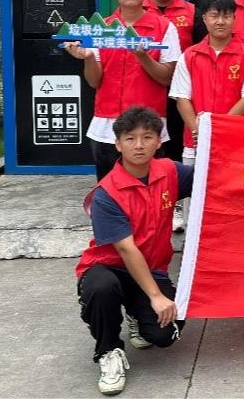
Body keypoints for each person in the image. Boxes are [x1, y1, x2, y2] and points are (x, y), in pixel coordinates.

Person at [74, 106, 193, 395]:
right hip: (108, 267)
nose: (139, 145)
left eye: (147, 137)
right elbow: (126, 250)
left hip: (151, 269)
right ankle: (108, 351)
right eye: (130, 138)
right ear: (118, 144)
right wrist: (156, 297)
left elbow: (212, 176)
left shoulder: (170, 171)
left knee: (165, 335)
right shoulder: (106, 194)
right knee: (101, 288)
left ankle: (137, 315)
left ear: (159, 141)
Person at [64, 0, 180, 181]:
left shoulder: (165, 27)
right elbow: (94, 81)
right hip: (106, 127)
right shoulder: (101, 29)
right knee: (109, 189)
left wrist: (143, 56)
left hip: (149, 126)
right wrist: (88, 57)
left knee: (149, 188)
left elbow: (166, 78)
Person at [170, 0, 244, 167]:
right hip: (195, 142)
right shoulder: (189, 55)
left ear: (234, 19)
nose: (220, 21)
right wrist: (200, 132)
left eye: (226, 16)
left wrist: (218, 130)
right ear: (204, 19)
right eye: (214, 16)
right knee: (194, 184)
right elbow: (181, 98)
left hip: (237, 141)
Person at [143, 0, 196, 164]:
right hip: (147, 87)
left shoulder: (192, 12)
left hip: (181, 92)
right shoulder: (138, 10)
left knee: (176, 143)